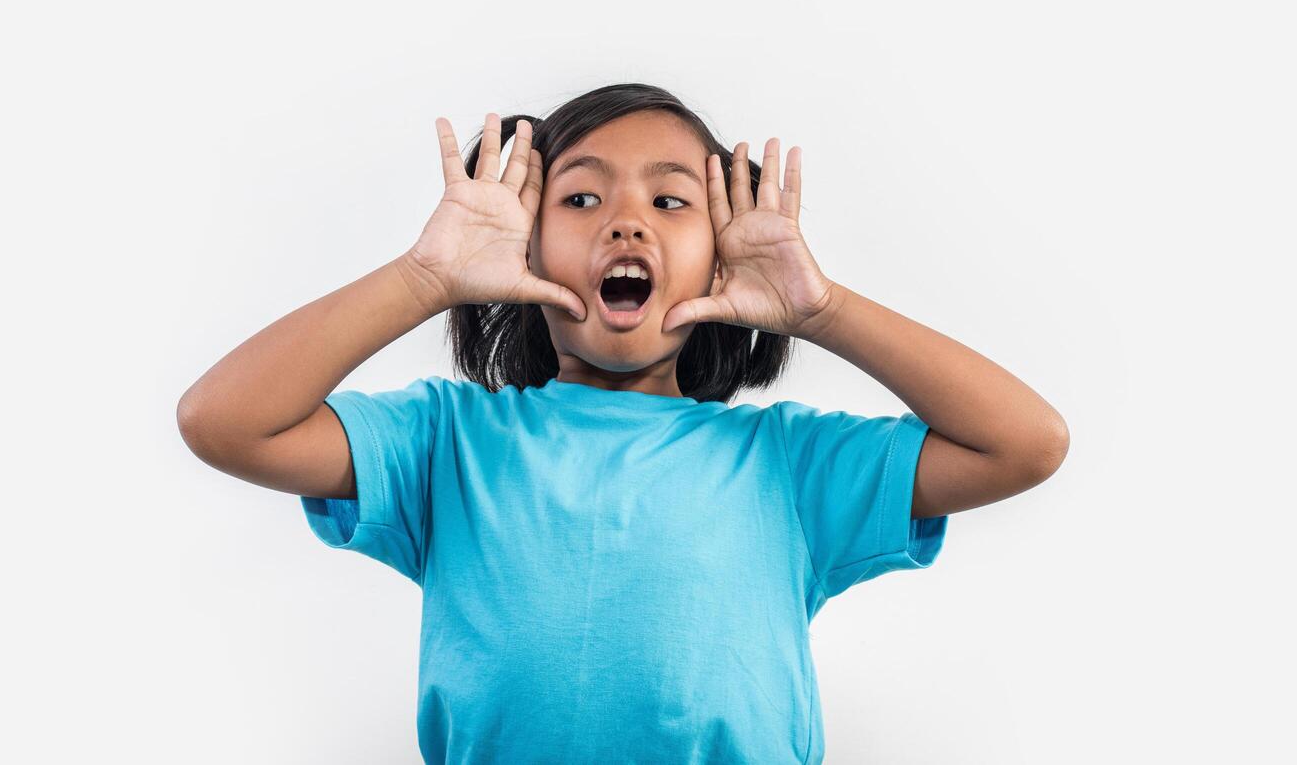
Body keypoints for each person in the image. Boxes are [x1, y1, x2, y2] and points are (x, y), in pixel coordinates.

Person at [176, 82, 1070, 764]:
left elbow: (1025, 443)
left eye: (671, 202)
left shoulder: (787, 463)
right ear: (522, 248)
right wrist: (424, 277)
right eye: (581, 200)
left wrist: (822, 309)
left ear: (721, 256)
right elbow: (224, 421)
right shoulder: (445, 443)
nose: (626, 225)